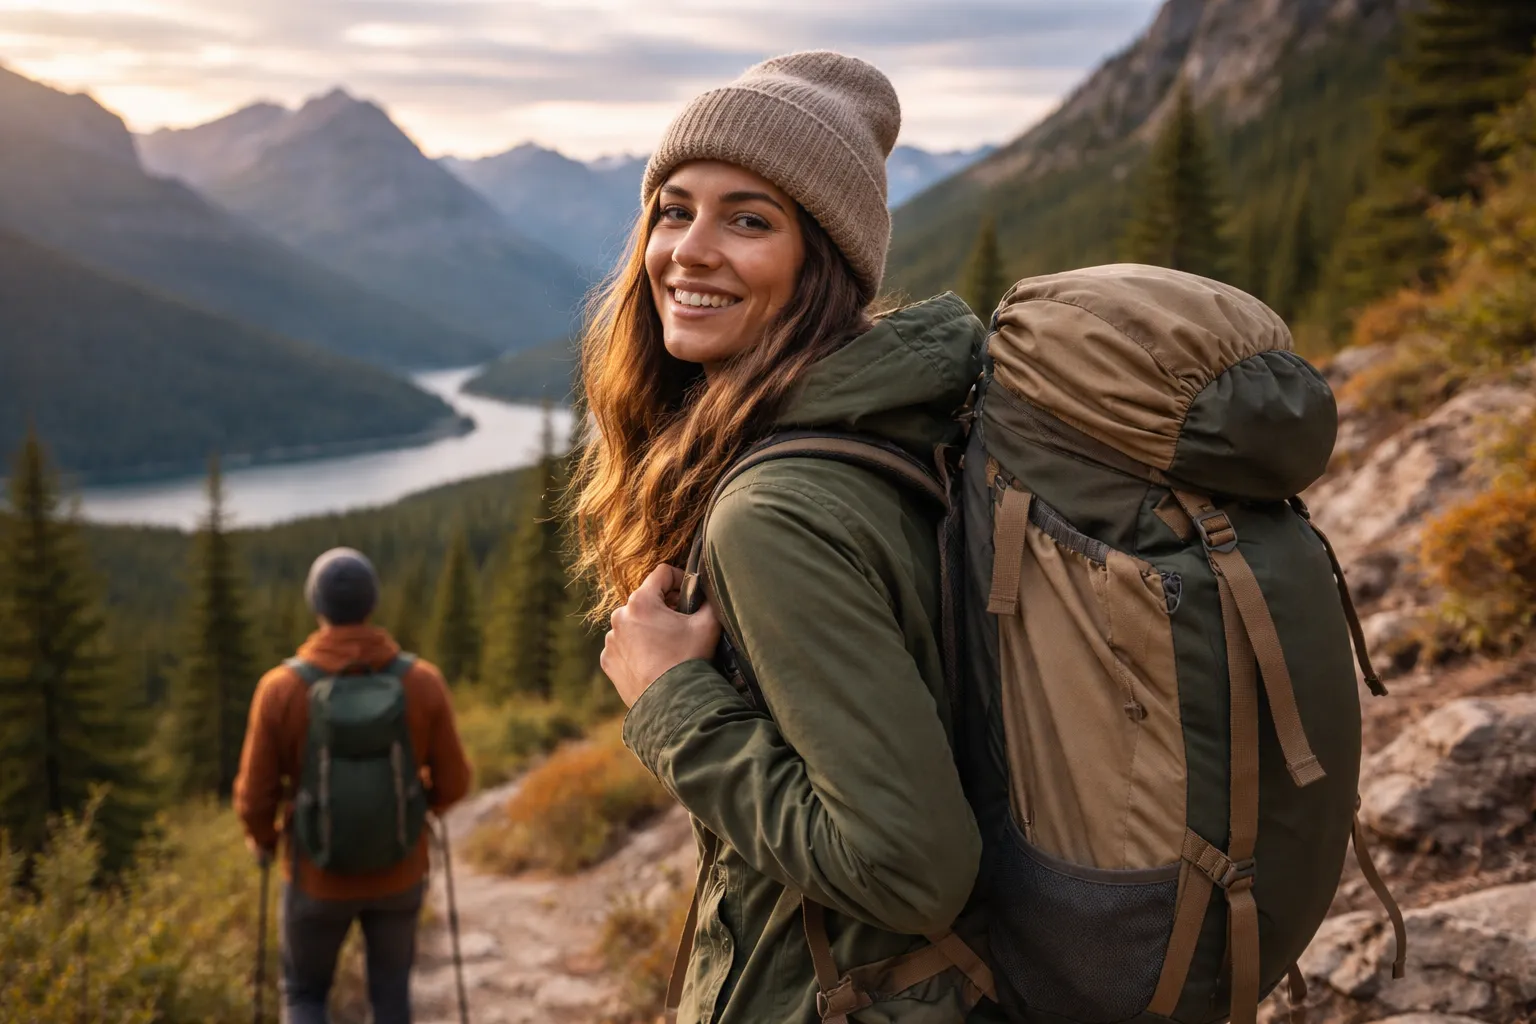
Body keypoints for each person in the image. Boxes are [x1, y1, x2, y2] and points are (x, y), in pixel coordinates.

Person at [571, 51, 994, 1023]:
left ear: (826, 259)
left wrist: (672, 698)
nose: (688, 250)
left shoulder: (775, 512)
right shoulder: (902, 418)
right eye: (674, 209)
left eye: (749, 219)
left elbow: (910, 866)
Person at [235, 547, 472, 1024]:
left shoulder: (280, 689)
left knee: (303, 994)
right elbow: (455, 782)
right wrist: (412, 806)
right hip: (400, 870)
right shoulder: (422, 682)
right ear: (372, 602)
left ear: (316, 604)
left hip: (314, 878)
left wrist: (263, 839)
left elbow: (254, 798)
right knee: (390, 995)